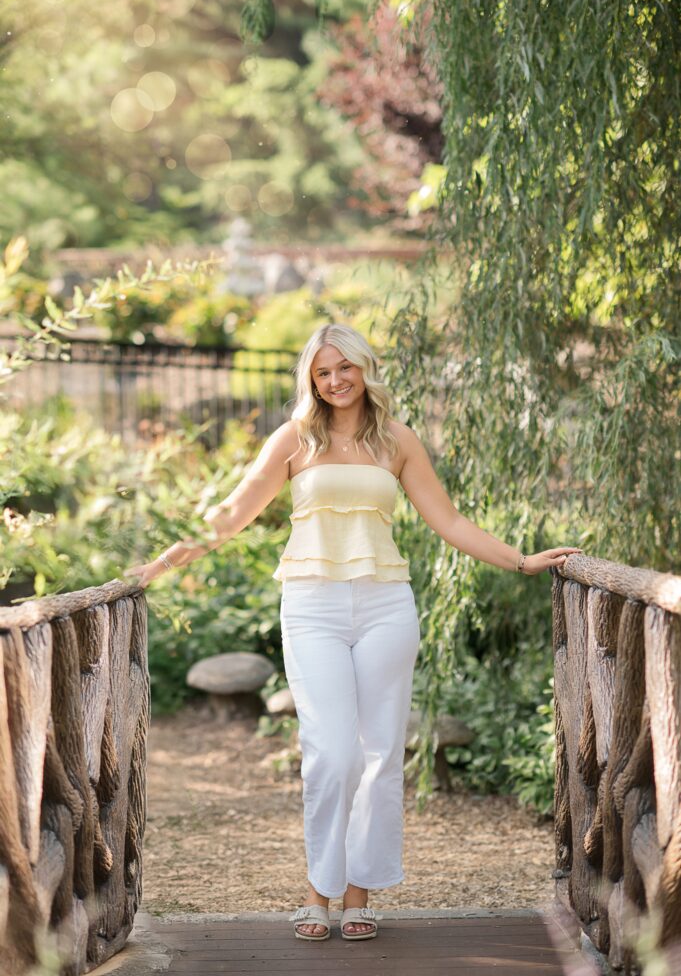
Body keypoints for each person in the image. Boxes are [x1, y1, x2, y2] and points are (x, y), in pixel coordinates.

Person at [125, 322, 581, 943]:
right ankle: (319, 891)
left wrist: (523, 561)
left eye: (345, 368)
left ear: (365, 369)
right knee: (331, 753)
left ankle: (359, 893)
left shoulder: (397, 441)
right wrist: (158, 566)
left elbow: (447, 520)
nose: (335, 380)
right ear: (310, 380)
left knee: (378, 754)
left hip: (386, 605)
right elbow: (230, 514)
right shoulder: (294, 439)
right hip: (311, 606)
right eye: (322, 372)